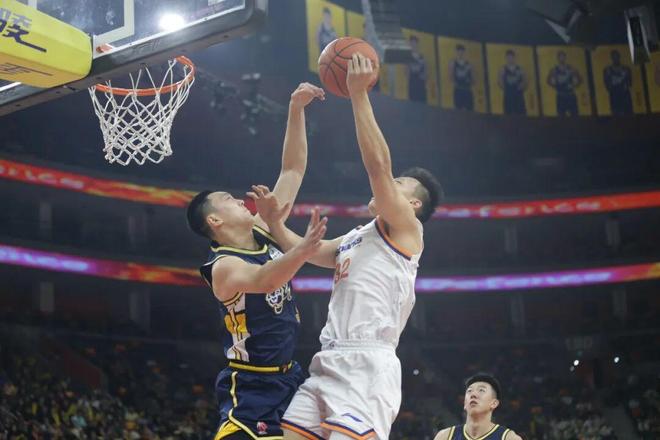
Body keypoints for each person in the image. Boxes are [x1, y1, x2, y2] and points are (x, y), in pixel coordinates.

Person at [249, 53, 442, 440]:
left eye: (398, 185)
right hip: (328, 358)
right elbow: (305, 251)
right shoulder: (356, 236)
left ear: (413, 203)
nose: (388, 185)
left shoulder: (408, 229)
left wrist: (358, 94)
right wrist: (274, 222)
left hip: (368, 363)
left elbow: (378, 168)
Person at [185, 83, 326, 440]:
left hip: (289, 375)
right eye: (228, 200)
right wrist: (302, 249)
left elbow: (292, 170)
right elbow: (266, 280)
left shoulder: (265, 228)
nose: (239, 200)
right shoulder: (223, 266)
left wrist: (296, 107)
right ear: (214, 220)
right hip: (252, 386)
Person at [433, 374, 523, 440]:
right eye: (469, 391)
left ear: (494, 403)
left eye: (481, 390)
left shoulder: (508, 438)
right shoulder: (445, 437)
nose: (473, 394)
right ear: (464, 403)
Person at [547, 50, 582, 116]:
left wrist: (574, 85)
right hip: (561, 96)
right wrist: (556, 85)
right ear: (558, 58)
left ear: (565, 57)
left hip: (570, 95)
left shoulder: (571, 68)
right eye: (560, 57)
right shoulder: (554, 70)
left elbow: (579, 80)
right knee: (561, 116)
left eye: (563, 57)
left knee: (575, 115)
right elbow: (549, 81)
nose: (562, 58)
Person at [603, 50, 633, 115]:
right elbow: (607, 85)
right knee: (616, 114)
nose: (615, 59)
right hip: (614, 96)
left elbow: (630, 83)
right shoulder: (607, 71)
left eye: (617, 57)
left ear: (619, 57)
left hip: (625, 96)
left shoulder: (626, 69)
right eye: (614, 57)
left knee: (627, 115)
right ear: (612, 58)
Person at [498, 49, 527, 115]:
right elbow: (499, 81)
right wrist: (506, 89)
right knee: (508, 114)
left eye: (511, 57)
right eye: (508, 57)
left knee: (521, 113)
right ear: (506, 58)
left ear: (514, 58)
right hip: (508, 95)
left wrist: (522, 86)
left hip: (518, 95)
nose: (510, 59)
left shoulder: (520, 69)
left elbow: (525, 80)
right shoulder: (503, 69)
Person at [449, 44, 474, 110]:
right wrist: (456, 82)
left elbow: (473, 78)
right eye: (458, 51)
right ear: (456, 52)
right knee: (458, 109)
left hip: (467, 89)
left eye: (462, 52)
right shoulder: (453, 63)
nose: (460, 53)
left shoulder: (469, 64)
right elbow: (451, 77)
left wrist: (470, 81)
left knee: (469, 109)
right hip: (458, 89)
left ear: (464, 52)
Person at [407, 35, 428, 103]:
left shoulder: (422, 57)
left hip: (421, 85)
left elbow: (426, 72)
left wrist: (424, 79)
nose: (413, 45)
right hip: (412, 85)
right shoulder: (407, 57)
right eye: (411, 43)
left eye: (414, 43)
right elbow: (406, 72)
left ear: (417, 44)